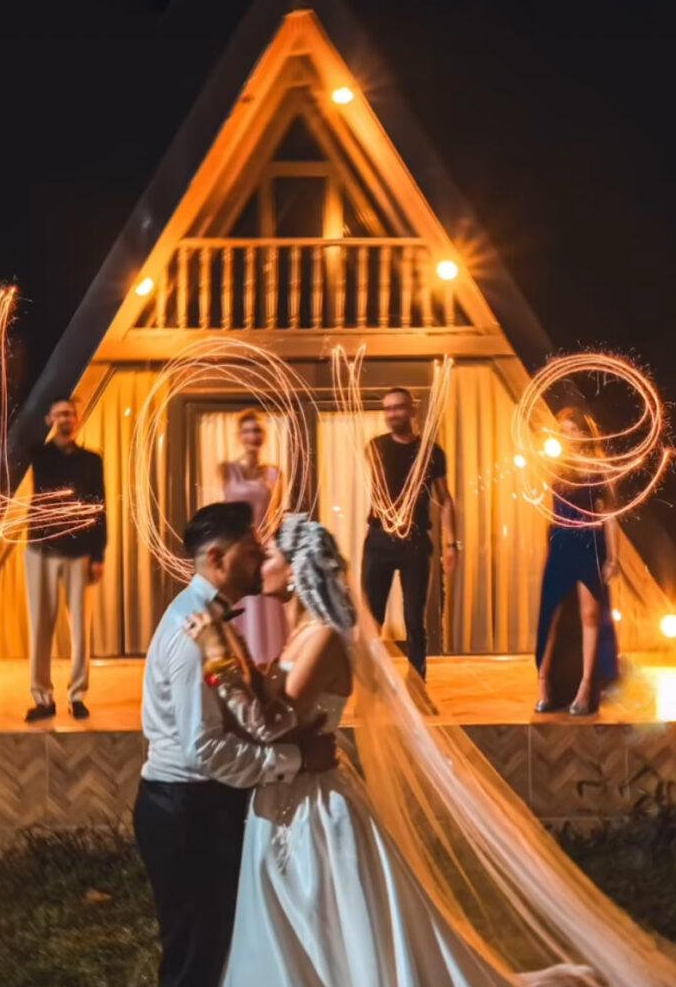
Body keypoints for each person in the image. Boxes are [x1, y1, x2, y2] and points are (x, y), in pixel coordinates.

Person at [188, 514, 676, 987]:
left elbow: (272, 724)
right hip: (285, 797)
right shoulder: (299, 635)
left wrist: (219, 656)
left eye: (268, 555)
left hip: (317, 809)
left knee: (331, 922)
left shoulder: (321, 639)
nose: (260, 563)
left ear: (295, 570)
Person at [133, 501, 336, 987]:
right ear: (218, 560)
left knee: (217, 947)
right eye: (252, 551)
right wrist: (296, 758)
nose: (262, 558)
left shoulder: (212, 621)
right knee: (196, 958)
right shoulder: (194, 634)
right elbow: (205, 749)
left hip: (204, 806)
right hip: (187, 811)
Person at [361, 386, 458, 678]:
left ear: (412, 410)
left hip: (415, 542)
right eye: (388, 409)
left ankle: (417, 685)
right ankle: (371, 681)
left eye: (398, 407)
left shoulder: (431, 451)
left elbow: (446, 500)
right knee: (371, 616)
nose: (392, 414)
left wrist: (453, 544)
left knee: (415, 619)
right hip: (379, 541)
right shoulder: (374, 447)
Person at [23, 397, 106, 722]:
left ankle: (78, 696)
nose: (66, 419)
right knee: (40, 627)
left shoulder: (92, 460)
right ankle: (42, 698)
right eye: (59, 414)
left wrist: (99, 555)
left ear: (78, 418)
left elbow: (99, 509)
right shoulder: (39, 455)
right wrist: (40, 423)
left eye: (70, 413)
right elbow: (22, 437)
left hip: (79, 552)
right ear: (51, 419)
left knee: (80, 629)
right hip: (40, 551)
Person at [535, 407, 620, 716]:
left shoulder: (600, 469)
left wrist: (613, 558)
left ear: (585, 434)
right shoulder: (555, 466)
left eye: (572, 430)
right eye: (563, 430)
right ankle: (543, 684)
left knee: (590, 617)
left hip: (589, 543)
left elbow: (609, 516)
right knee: (552, 616)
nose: (566, 436)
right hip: (560, 541)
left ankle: (586, 688)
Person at [219, 409, 287, 665]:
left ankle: (267, 668)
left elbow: (276, 515)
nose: (252, 435)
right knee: (240, 607)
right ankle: (242, 666)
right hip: (235, 546)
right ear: (239, 436)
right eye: (247, 430)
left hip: (263, 547)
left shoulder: (274, 473)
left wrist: (270, 546)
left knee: (266, 608)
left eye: (257, 430)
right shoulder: (227, 469)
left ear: (264, 435)